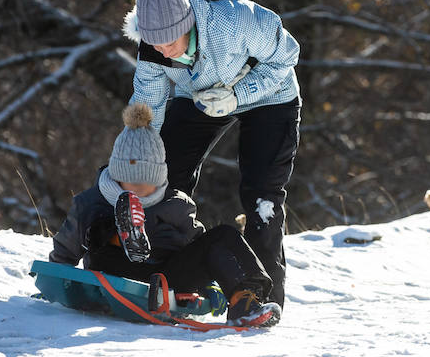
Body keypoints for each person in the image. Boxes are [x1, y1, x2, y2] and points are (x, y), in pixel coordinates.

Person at [121, 0, 301, 311]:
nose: (165, 51)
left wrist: (238, 97)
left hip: (270, 93)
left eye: (172, 40)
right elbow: (147, 109)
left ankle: (260, 298)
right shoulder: (154, 49)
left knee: (261, 195)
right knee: (163, 175)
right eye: (155, 44)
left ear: (188, 22)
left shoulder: (236, 22)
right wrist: (136, 162)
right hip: (201, 96)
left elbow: (288, 55)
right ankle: (171, 277)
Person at [49, 102, 280, 327]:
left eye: (148, 183)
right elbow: (65, 251)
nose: (140, 189)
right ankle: (127, 234)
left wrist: (210, 284)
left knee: (224, 236)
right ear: (117, 174)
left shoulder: (176, 203)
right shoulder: (90, 201)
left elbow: (200, 250)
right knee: (102, 227)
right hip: (114, 274)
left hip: (164, 281)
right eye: (133, 182)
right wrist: (55, 286)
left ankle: (245, 301)